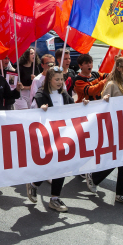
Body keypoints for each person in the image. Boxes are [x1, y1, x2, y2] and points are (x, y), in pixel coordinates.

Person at [30, 66, 90, 212]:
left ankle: (54, 199)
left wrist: (84, 105)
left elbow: (72, 109)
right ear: (49, 80)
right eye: (56, 79)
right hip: (47, 137)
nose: (59, 82)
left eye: (61, 79)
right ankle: (34, 184)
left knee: (61, 167)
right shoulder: (40, 95)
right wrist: (40, 110)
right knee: (49, 166)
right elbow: (30, 116)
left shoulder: (64, 95)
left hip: (63, 136)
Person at [85, 56, 123, 206]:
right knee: (117, 158)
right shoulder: (112, 85)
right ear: (119, 68)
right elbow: (102, 106)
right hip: (115, 127)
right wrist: (106, 100)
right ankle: (95, 176)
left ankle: (121, 193)